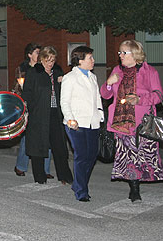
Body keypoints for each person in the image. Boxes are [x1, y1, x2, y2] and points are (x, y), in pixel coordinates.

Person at [100, 40, 163, 202]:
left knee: (142, 155)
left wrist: (140, 99)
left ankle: (138, 182)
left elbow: (159, 95)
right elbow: (105, 95)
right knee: (128, 156)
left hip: (142, 122)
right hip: (121, 122)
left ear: (135, 55)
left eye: (124, 53)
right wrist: (108, 84)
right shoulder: (117, 71)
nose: (120, 56)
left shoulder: (149, 71)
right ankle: (134, 188)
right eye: (120, 53)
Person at [22, 46, 73, 185]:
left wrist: (63, 82)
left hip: (55, 113)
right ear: (42, 59)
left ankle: (64, 175)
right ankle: (40, 176)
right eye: (47, 60)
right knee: (38, 145)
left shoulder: (57, 72)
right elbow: (27, 93)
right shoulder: (34, 72)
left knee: (60, 146)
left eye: (52, 60)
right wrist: (30, 109)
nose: (50, 63)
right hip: (39, 114)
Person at [60, 46, 104, 202]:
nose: (93, 61)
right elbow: (64, 101)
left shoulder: (92, 77)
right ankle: (81, 190)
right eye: (90, 58)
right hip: (76, 123)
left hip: (92, 122)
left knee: (92, 156)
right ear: (80, 61)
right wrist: (70, 118)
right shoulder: (70, 78)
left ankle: (79, 183)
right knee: (81, 156)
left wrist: (100, 115)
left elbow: (97, 98)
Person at [14, 43, 53, 178]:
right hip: (27, 104)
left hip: (41, 106)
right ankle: (21, 166)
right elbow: (21, 86)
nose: (39, 55)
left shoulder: (44, 69)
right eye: (36, 52)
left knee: (46, 137)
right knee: (28, 138)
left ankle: (45, 169)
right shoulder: (24, 68)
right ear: (30, 54)